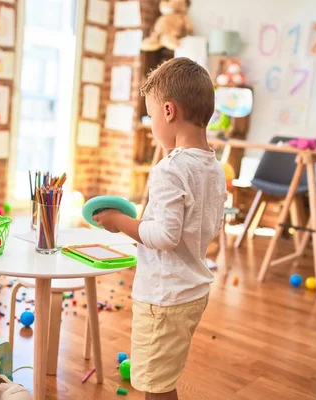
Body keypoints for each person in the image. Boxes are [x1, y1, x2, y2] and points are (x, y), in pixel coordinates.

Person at [93, 58, 226, 400]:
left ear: (168, 111)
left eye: (151, 117)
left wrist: (119, 222)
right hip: (192, 289)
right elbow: (208, 224)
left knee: (155, 386)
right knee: (162, 377)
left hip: (163, 297)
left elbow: (166, 237)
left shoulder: (170, 168)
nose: (153, 125)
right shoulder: (214, 167)